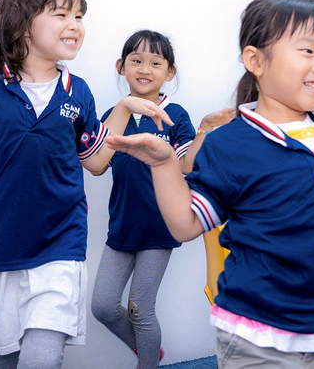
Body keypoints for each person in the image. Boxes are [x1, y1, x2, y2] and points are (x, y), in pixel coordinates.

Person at [105, 0, 314, 369]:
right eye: (307, 51)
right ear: (255, 61)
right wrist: (164, 163)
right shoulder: (231, 143)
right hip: (256, 333)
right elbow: (186, 225)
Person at [0, 0, 173, 369]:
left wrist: (122, 109)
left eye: (80, 16)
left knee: (41, 358)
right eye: (62, 14)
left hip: (60, 246)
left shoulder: (77, 91)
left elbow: (97, 163)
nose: (75, 25)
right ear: (22, 21)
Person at [90, 30, 233, 369]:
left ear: (169, 72)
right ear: (121, 66)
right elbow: (96, 165)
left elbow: (186, 165)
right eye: (136, 60)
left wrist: (204, 128)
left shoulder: (175, 114)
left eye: (156, 63)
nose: (145, 68)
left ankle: (148, 364)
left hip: (160, 225)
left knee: (141, 308)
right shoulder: (116, 114)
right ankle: (149, 350)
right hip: (121, 225)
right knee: (103, 306)